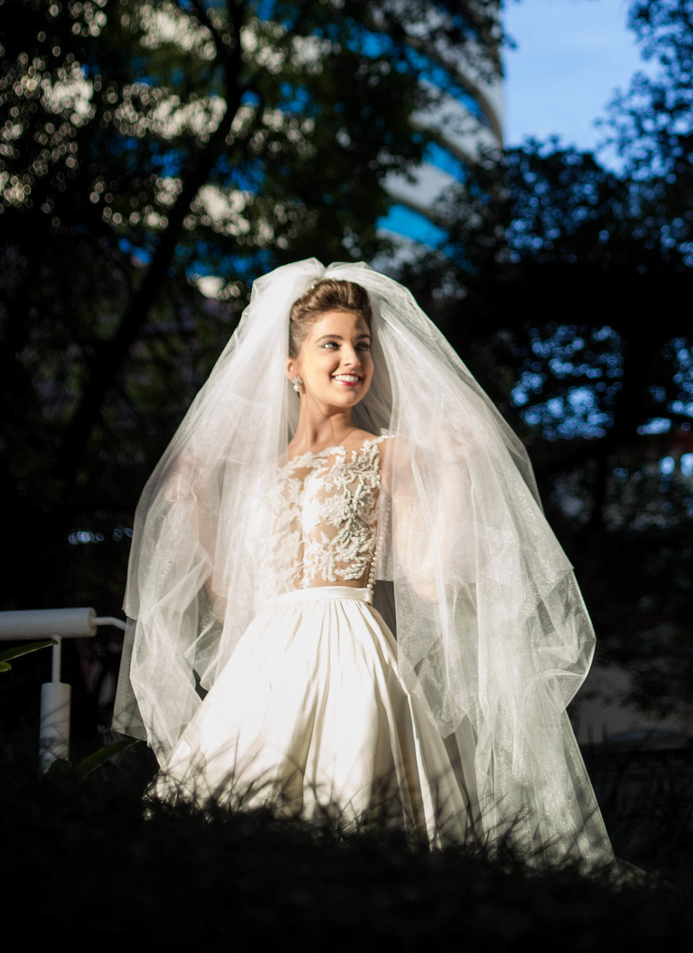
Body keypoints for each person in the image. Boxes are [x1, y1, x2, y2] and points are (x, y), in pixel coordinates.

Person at [112, 259, 614, 866]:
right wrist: (196, 507)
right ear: (292, 366)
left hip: (349, 653)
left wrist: (457, 473)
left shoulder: (390, 455)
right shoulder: (259, 475)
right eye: (331, 344)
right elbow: (229, 598)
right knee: (222, 833)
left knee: (353, 822)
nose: (351, 358)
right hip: (262, 670)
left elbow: (429, 577)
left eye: (362, 344)